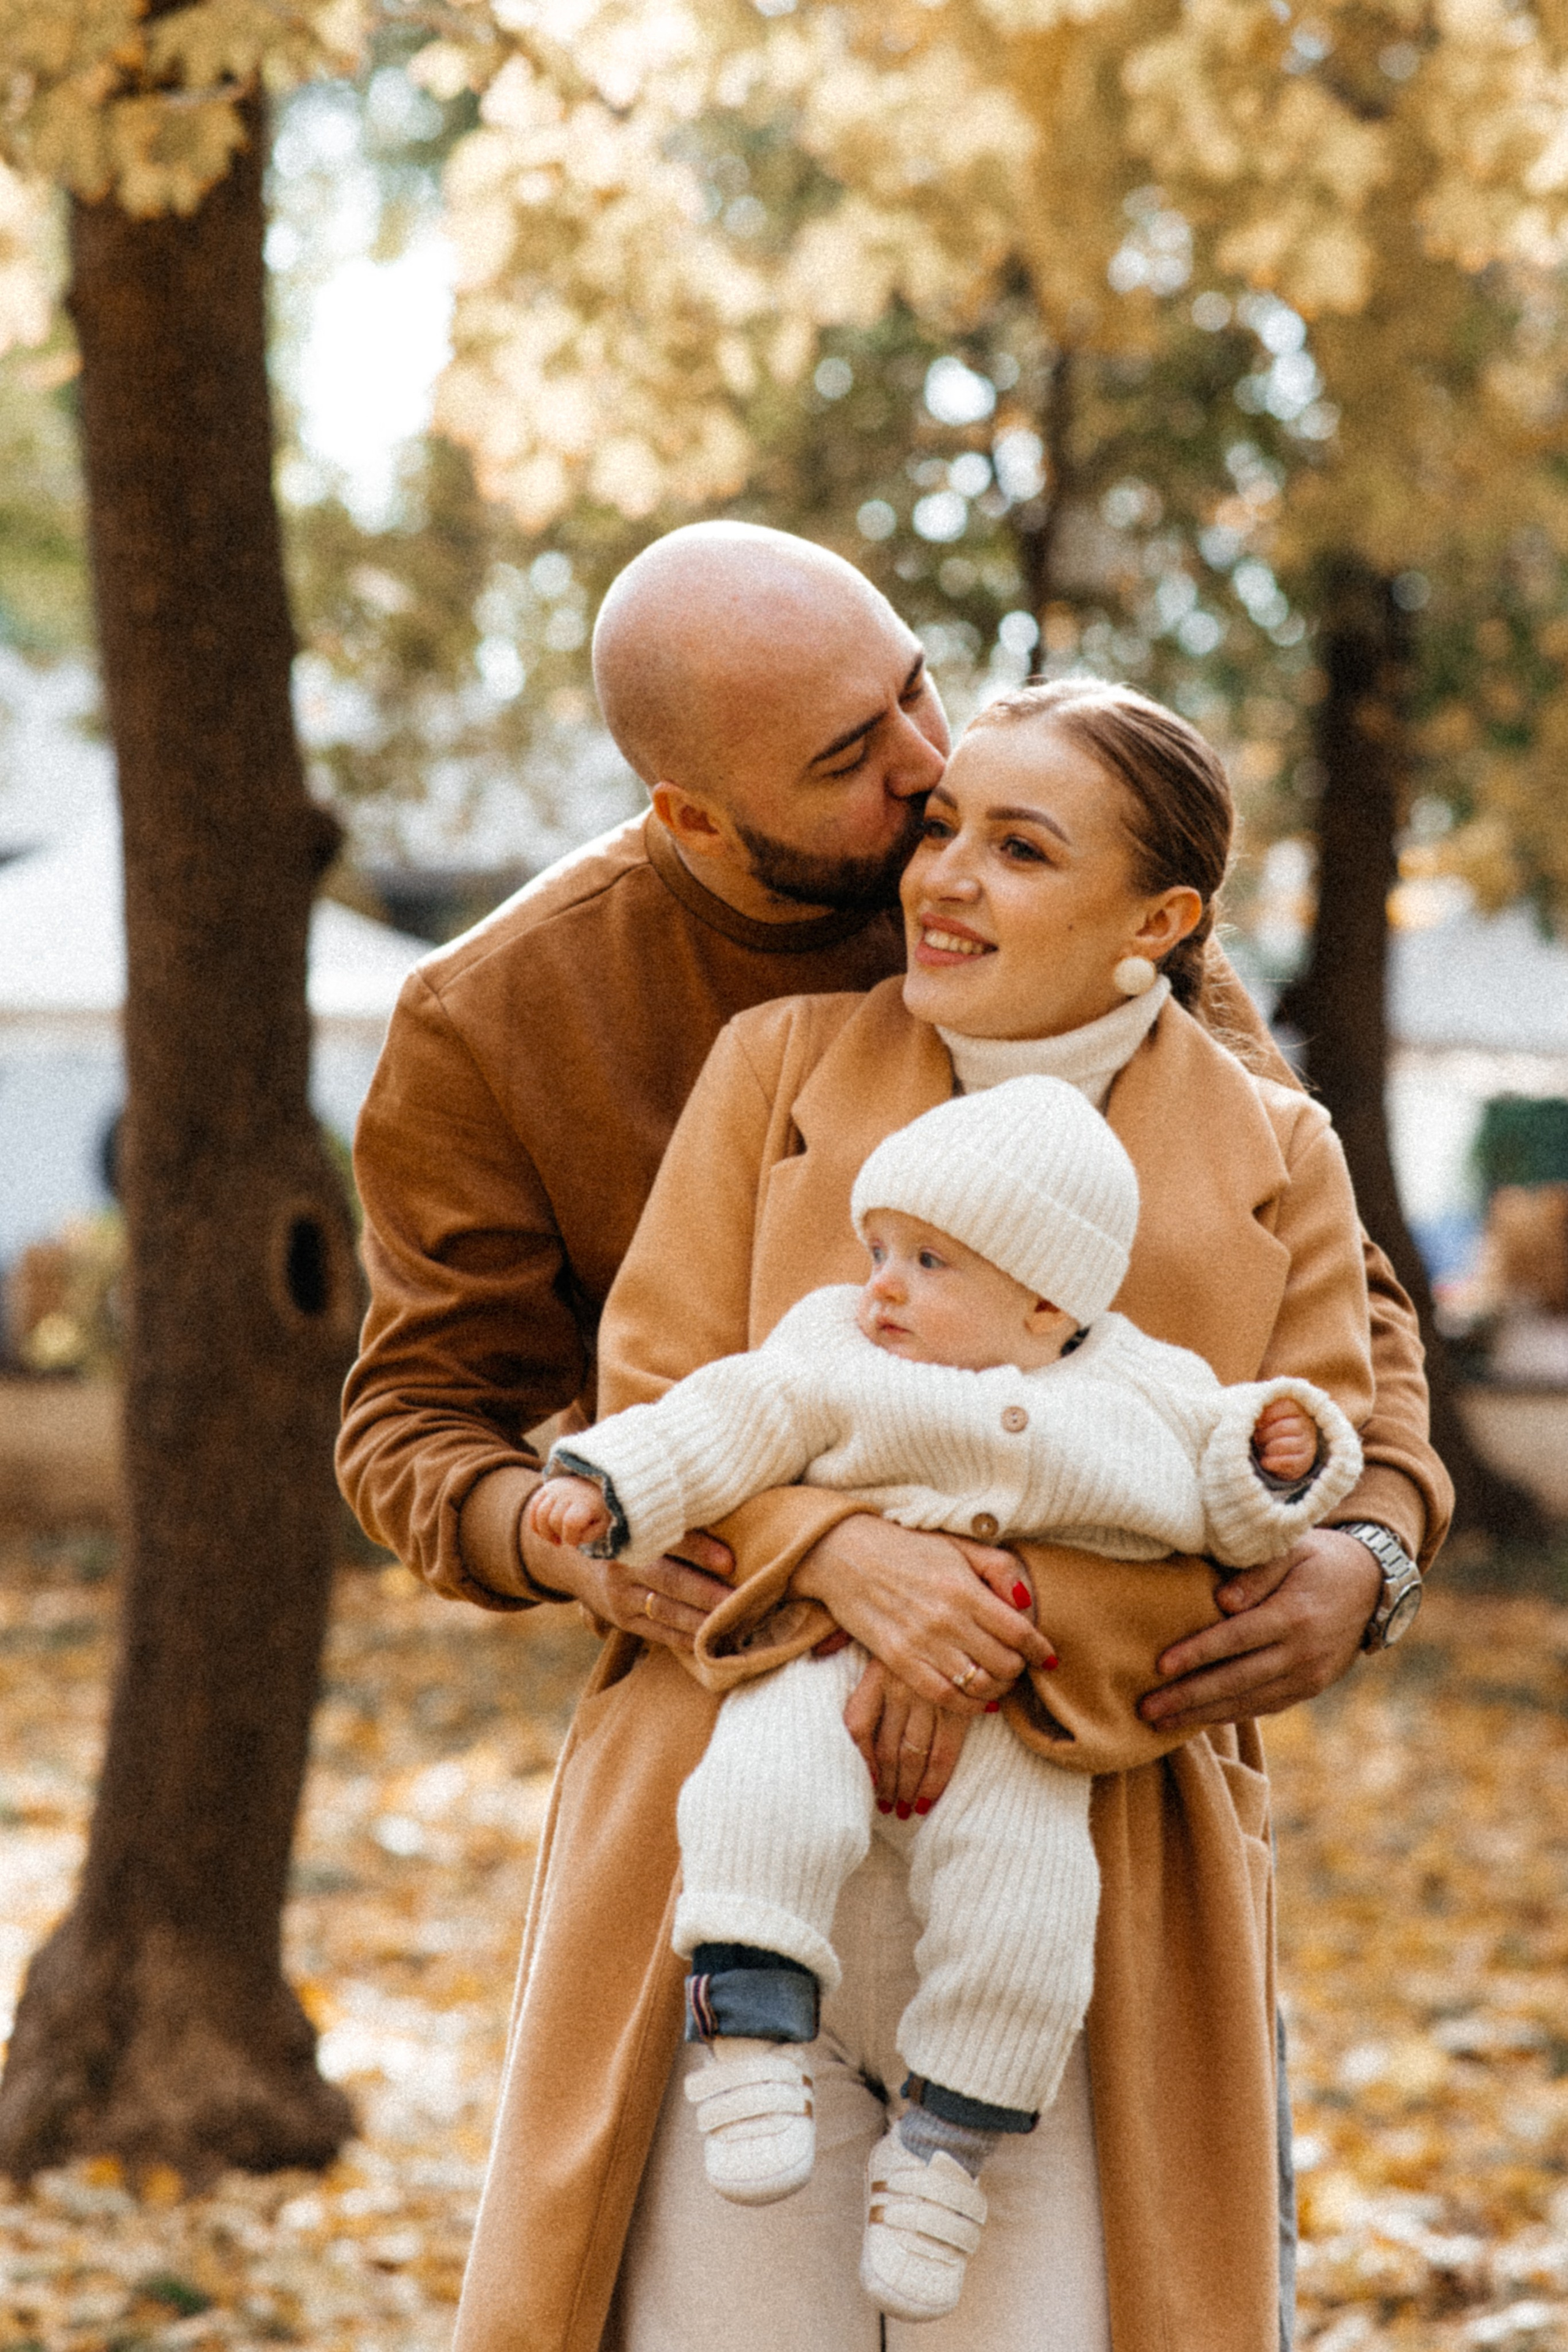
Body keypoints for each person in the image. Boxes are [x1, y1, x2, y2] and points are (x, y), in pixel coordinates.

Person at [334, 527, 1450, 2352]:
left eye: (914, 691)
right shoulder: (536, 1023)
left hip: (1094, 1797)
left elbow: (1338, 1374)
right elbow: (487, 1412)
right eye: (866, 772)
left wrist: (1365, 1556)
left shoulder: (1147, 990)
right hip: (743, 1751)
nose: (931, 779)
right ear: (698, 821)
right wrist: (779, 1555)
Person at [528, 1071, 1363, 2326]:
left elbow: (1235, 1485)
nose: (879, 1284)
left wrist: (1279, 1455)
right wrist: (610, 1480)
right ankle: (747, 2030)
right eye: (877, 1249)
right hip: (815, 1673)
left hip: (1029, 1739)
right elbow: (719, 1417)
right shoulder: (831, 1346)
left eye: (924, 1261)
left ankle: (946, 2151)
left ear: (1042, 1303)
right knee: (760, 1792)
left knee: (1029, 1910)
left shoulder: (1145, 1384)